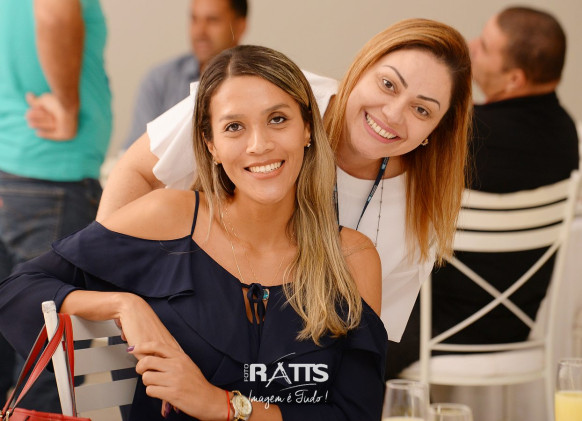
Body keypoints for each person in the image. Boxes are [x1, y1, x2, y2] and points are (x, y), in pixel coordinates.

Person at [0, 45, 388, 420]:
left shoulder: (352, 258)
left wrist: (223, 405)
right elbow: (17, 290)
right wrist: (123, 306)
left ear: (307, 129)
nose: (259, 145)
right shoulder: (168, 218)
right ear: (211, 145)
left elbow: (357, 413)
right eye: (234, 127)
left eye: (277, 119)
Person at [98, 18, 473, 347]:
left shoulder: (421, 208)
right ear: (361, 69)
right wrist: (114, 296)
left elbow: (368, 345)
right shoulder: (274, 96)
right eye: (388, 84)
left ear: (436, 129)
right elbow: (137, 170)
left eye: (421, 109)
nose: (392, 113)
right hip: (182, 335)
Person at [386, 6, 580, 379]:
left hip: (433, 323)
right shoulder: (566, 134)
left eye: (486, 47)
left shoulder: (469, 134)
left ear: (515, 79)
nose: (471, 47)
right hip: (512, 324)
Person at [0, 0, 111, 409]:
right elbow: (54, 11)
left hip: (15, 172)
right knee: (52, 359)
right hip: (52, 176)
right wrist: (67, 105)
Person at [123, 0, 247, 149]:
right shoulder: (159, 80)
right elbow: (133, 152)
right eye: (194, 19)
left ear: (240, 26)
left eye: (212, 20)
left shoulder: (261, 82)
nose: (200, 32)